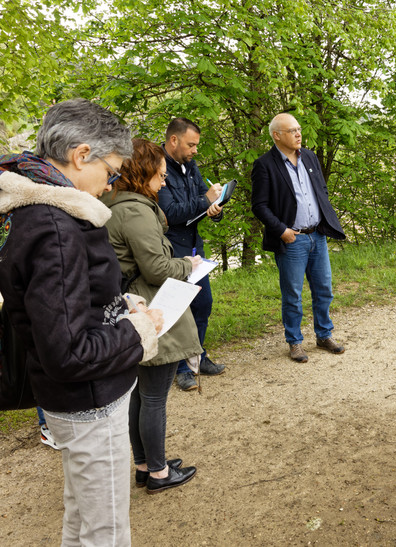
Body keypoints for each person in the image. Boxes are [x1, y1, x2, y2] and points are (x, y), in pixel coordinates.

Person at [0, 98, 162, 545]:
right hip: (90, 400)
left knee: (82, 516)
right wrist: (140, 331)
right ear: (81, 155)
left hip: (76, 399)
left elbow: (65, 306)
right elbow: (69, 352)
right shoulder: (55, 227)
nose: (110, 185)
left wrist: (118, 305)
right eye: (111, 172)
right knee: (105, 531)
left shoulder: (38, 210)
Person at [102, 138, 201, 493]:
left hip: (132, 301)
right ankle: (158, 473)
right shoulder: (136, 209)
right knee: (153, 396)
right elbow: (157, 267)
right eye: (160, 176)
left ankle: (145, 464)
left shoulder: (114, 203)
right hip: (151, 304)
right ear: (143, 173)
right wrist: (188, 264)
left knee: (140, 395)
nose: (163, 182)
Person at [251, 113, 346, 362]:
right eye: (292, 130)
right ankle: (295, 342)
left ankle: (324, 335)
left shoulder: (310, 157)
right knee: (292, 295)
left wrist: (325, 220)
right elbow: (259, 206)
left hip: (317, 235)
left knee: (324, 289)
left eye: (299, 129)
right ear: (277, 135)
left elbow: (320, 191)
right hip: (292, 240)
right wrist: (282, 230)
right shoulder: (265, 165)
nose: (298, 134)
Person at [158, 118, 226, 391]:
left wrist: (214, 208)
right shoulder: (158, 166)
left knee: (202, 304)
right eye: (191, 144)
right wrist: (204, 201)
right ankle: (180, 369)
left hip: (195, 245)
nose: (195, 150)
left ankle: (198, 358)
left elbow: (201, 197)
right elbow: (169, 213)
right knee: (177, 309)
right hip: (172, 249)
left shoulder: (191, 165)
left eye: (196, 145)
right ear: (173, 140)